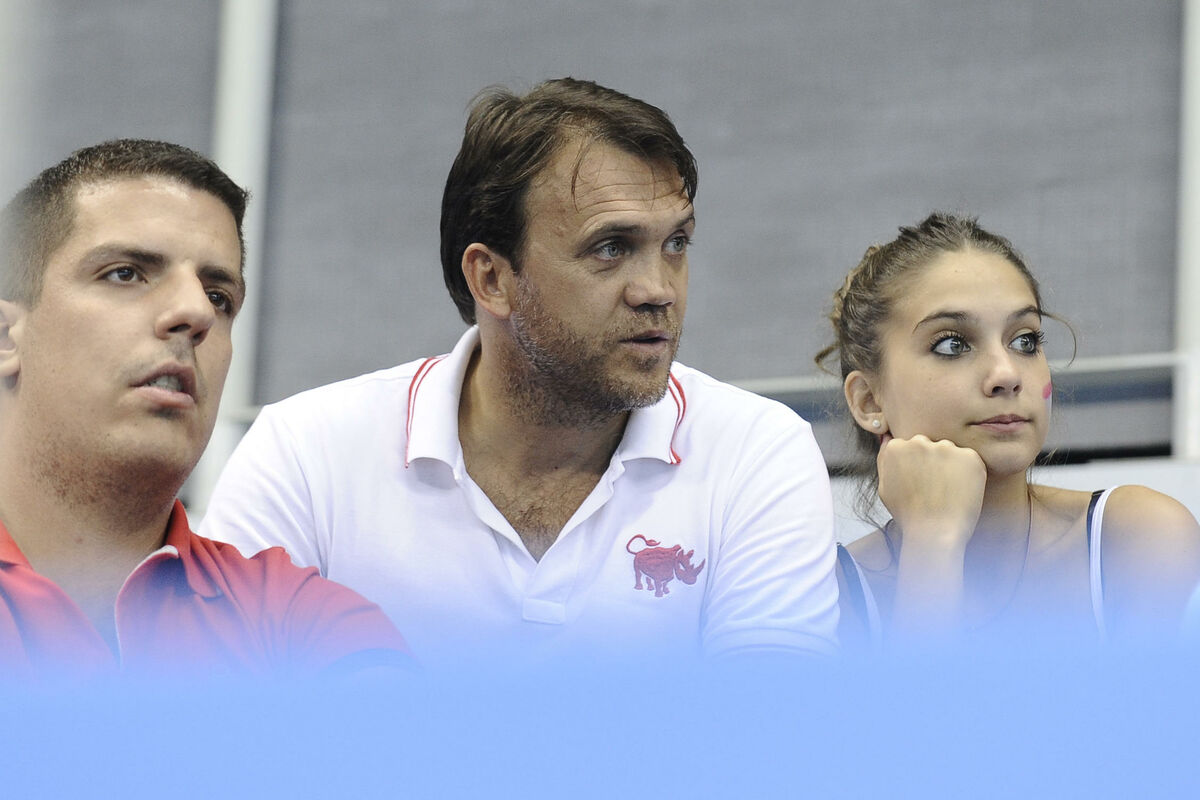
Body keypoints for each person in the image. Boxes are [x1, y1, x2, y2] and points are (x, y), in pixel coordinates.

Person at [200, 77, 839, 665]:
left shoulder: (756, 450)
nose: (658, 289)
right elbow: (218, 718)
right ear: (491, 278)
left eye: (676, 244)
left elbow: (772, 729)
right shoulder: (305, 453)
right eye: (611, 248)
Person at [0, 139, 410, 680]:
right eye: (126, 273)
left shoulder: (299, 620)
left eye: (219, 297)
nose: (196, 313)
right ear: (7, 337)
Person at [819, 212, 1200, 649]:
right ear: (869, 401)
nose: (1007, 374)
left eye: (1025, 341)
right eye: (952, 344)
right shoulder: (834, 599)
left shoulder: (1138, 537)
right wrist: (932, 544)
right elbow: (925, 698)